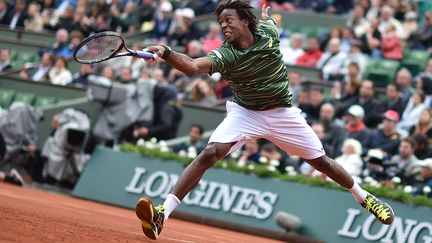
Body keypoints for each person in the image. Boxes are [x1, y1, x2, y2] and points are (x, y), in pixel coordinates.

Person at [135, 2, 395, 240]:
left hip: (282, 113)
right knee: (209, 153)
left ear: (246, 22)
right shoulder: (225, 55)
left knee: (321, 162)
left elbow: (271, 21)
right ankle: (162, 214)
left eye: (229, 20)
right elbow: (192, 66)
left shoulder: (269, 33)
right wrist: (167, 53)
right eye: (221, 22)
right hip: (245, 112)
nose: (224, 25)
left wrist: (269, 17)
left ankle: (365, 197)